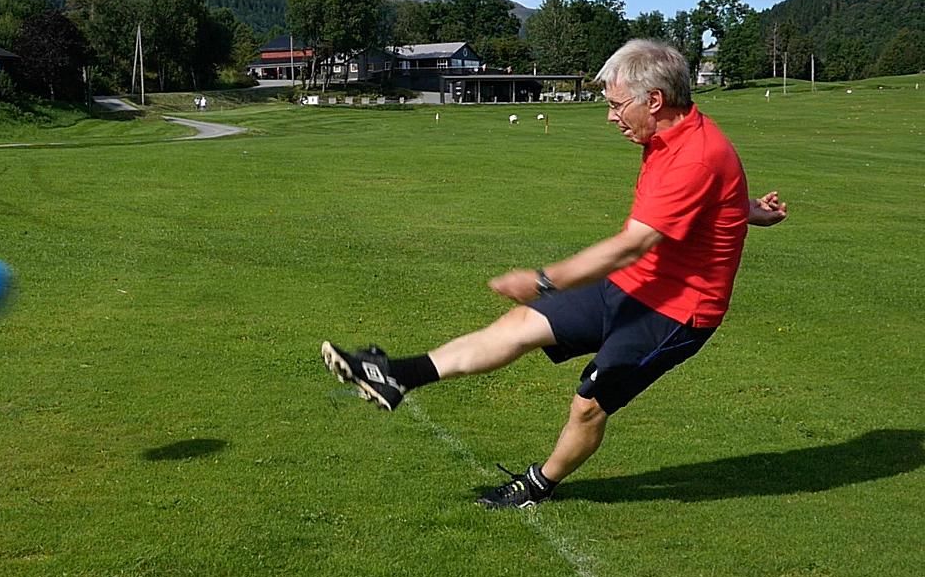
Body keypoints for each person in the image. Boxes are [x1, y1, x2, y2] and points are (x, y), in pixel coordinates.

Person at [321, 39, 788, 509]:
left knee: (589, 405)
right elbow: (710, 197)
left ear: (654, 100)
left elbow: (633, 243)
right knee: (520, 324)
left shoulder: (696, 154)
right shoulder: (670, 138)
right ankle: (396, 376)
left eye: (616, 105)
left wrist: (544, 281)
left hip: (677, 311)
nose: (610, 117)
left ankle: (537, 485)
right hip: (632, 283)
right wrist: (745, 210)